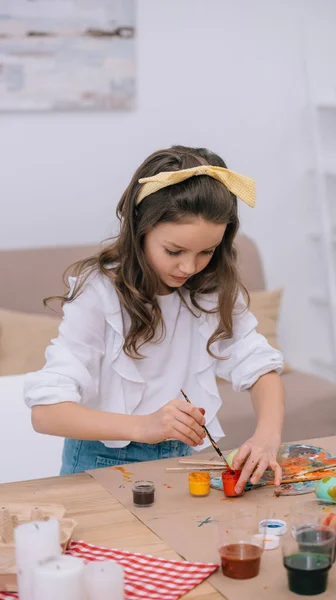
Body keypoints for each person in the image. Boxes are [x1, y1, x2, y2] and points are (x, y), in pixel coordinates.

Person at [24, 145, 285, 493]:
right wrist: (144, 426)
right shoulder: (99, 293)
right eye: (174, 251)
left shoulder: (211, 290)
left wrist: (267, 437)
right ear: (139, 230)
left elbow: (260, 368)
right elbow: (46, 414)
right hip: (98, 464)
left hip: (183, 461)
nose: (189, 267)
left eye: (206, 251)